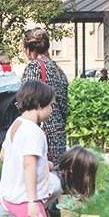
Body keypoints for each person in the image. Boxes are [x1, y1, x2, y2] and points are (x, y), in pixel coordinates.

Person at [0, 79, 57, 217]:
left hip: (5, 201)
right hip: (24, 202)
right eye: (50, 106)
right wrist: (32, 202)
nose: (52, 111)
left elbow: (4, 155)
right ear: (39, 105)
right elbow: (29, 164)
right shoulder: (34, 131)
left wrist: (43, 163)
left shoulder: (16, 125)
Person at [23, 27, 70, 155]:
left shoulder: (34, 67)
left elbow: (26, 101)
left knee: (40, 172)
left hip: (41, 133)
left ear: (29, 49)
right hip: (58, 135)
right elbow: (64, 107)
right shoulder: (58, 70)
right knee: (54, 173)